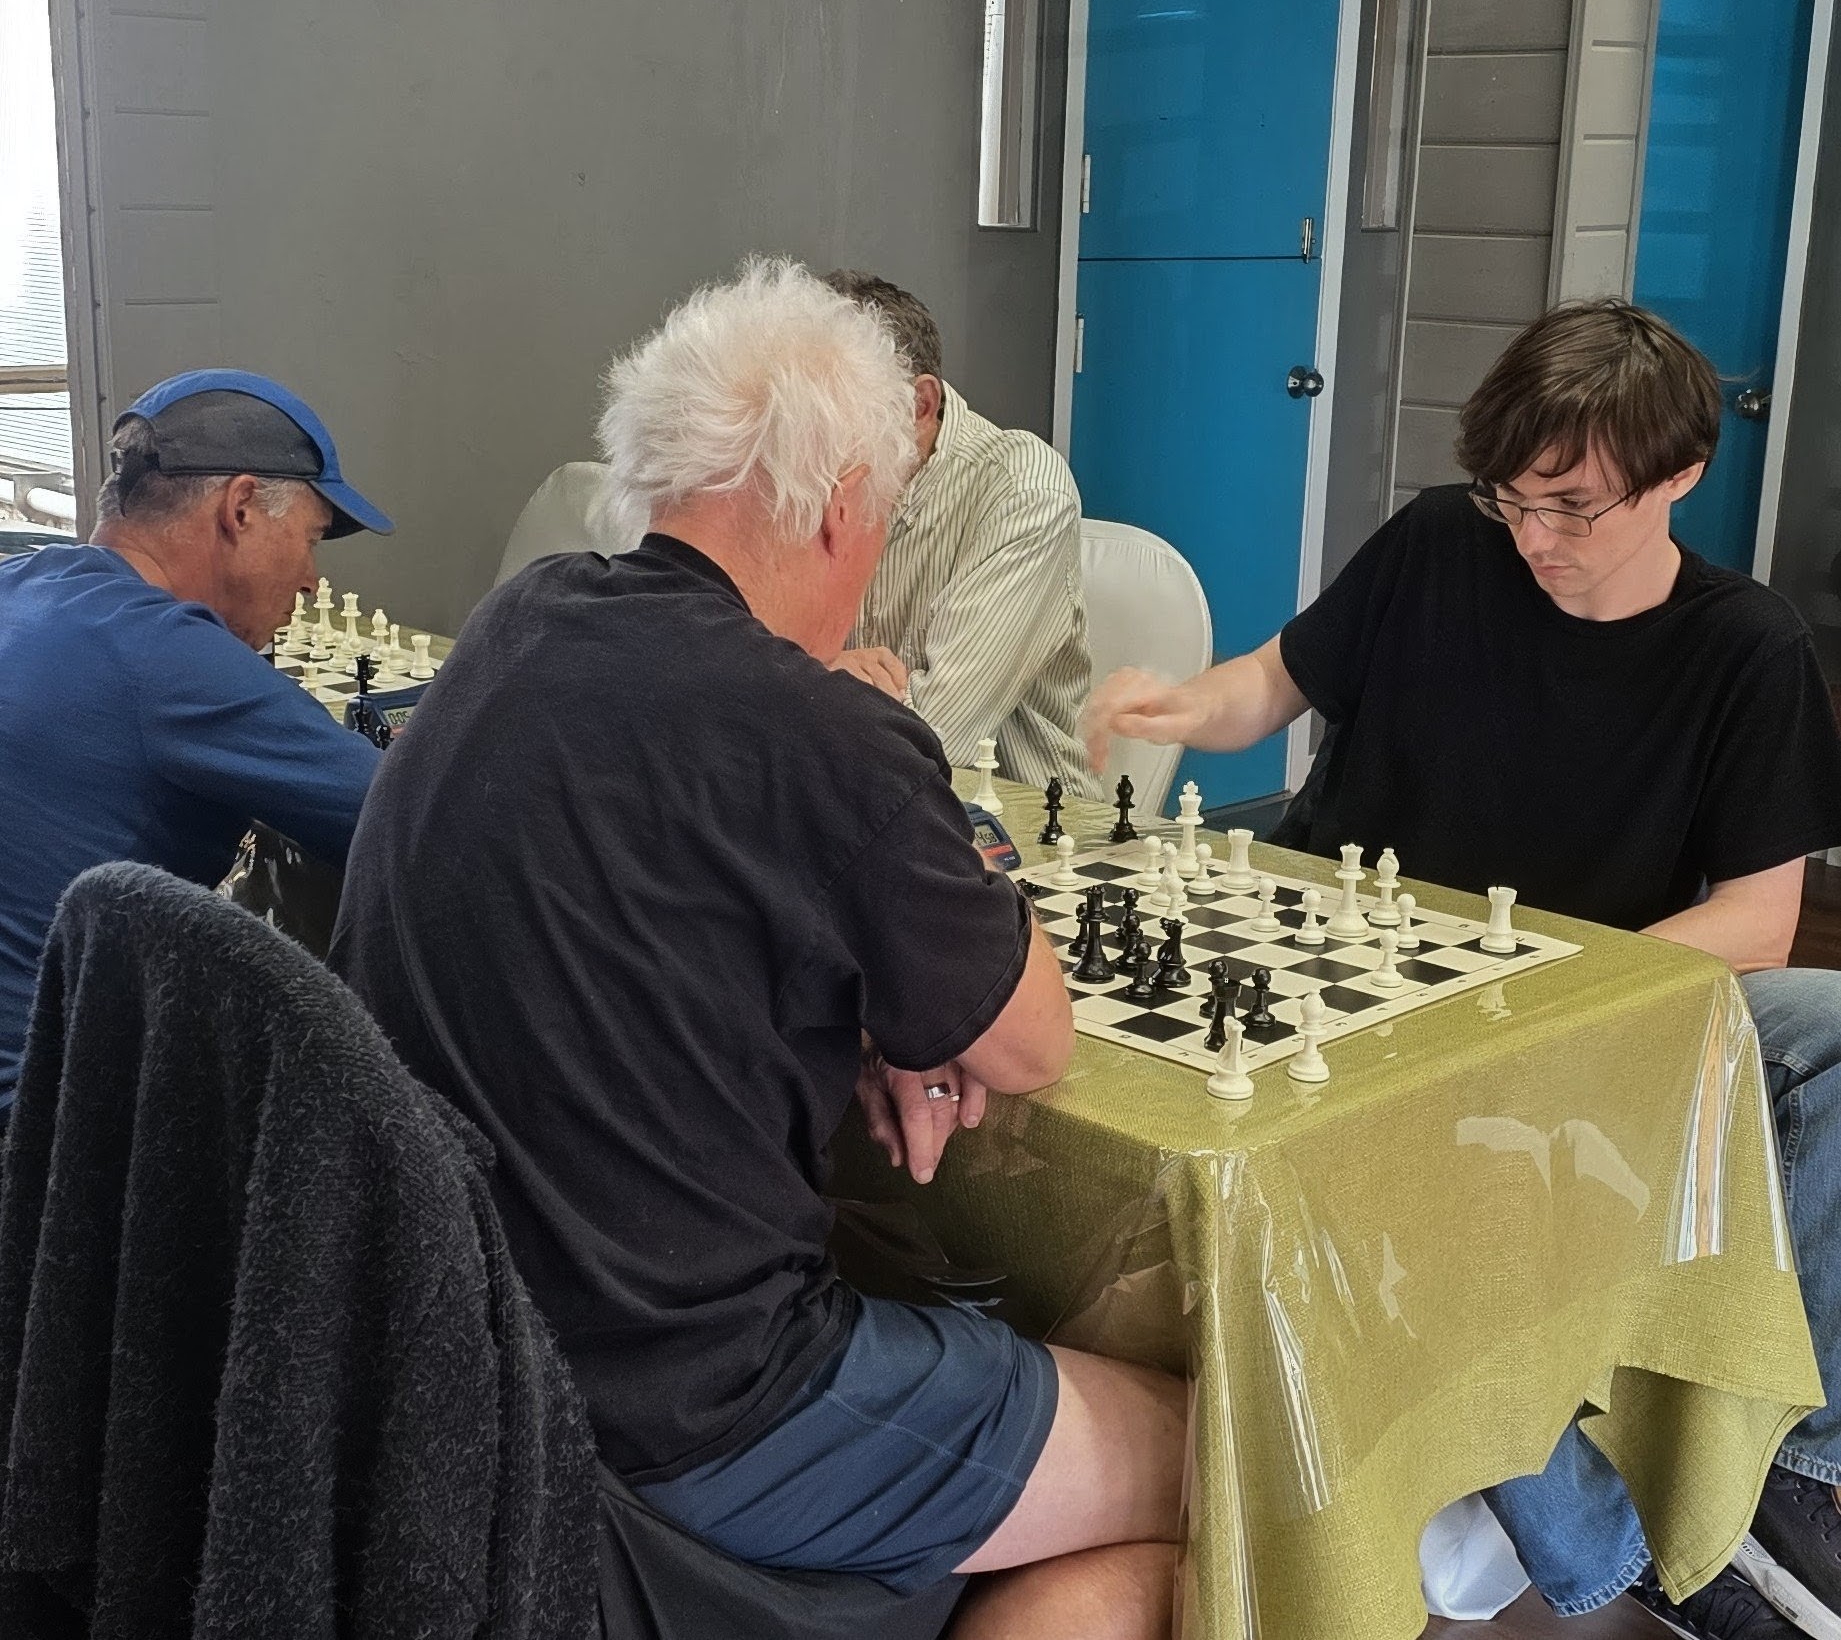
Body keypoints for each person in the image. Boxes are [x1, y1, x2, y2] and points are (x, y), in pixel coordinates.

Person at [332, 262, 1183, 1640]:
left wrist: (873, 1006)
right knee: (1220, 1459)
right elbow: (1030, 1036)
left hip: (467, 1368)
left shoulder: (516, 624)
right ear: (846, 501)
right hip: (700, 1404)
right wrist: (924, 838)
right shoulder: (814, 726)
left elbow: (663, 915)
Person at [1087, 300, 1841, 1640]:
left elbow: (1757, 920)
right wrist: (1178, 704)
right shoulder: (1445, 536)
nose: (1533, 536)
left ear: (1677, 475)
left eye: (1571, 506)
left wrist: (1539, 977)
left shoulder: (1748, 648)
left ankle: (1738, 1495)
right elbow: (1272, 681)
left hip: (1544, 1008)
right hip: (1346, 951)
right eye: (1513, 500)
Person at [0, 367, 391, 1124]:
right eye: (309, 539)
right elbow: (415, 818)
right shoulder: (168, 655)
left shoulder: (20, 581)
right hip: (32, 1147)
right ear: (241, 507)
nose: (312, 581)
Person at [823, 270, 1102, 799]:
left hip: (1014, 823)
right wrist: (822, 670)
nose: (806, 432)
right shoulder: (809, 475)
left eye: (831, 410)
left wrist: (811, 675)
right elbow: (735, 666)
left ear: (919, 406)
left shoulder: (1022, 489)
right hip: (856, 801)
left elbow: (936, 733)